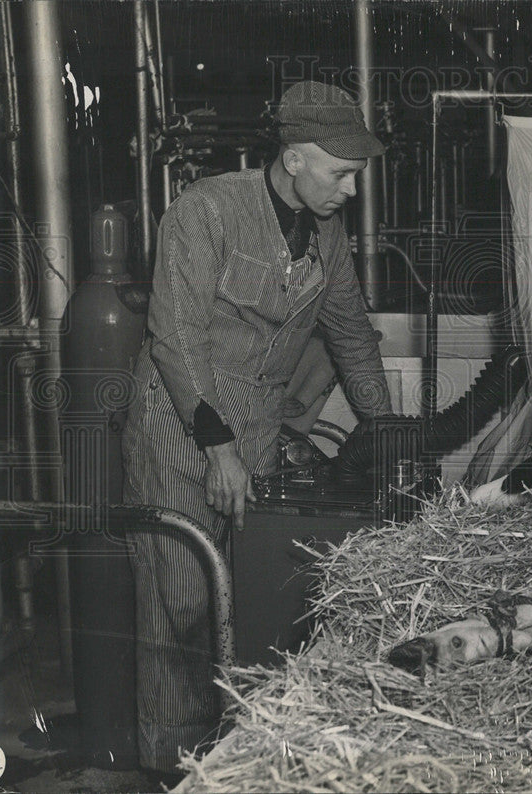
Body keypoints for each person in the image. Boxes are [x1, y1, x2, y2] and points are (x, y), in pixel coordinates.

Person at [121, 80, 392, 775]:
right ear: (295, 158)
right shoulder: (205, 209)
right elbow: (176, 337)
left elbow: (352, 336)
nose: (350, 191)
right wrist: (217, 447)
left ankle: (239, 762)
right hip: (182, 430)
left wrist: (389, 431)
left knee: (246, 600)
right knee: (179, 604)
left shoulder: (326, 235)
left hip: (258, 431)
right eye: (341, 174)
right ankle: (172, 769)